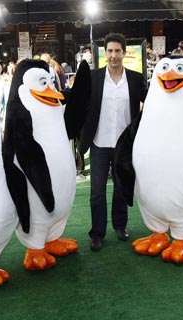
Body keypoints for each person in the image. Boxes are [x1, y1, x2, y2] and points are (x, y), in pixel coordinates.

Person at [79, 33, 148, 251]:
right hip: (99, 143)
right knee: (97, 191)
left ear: (125, 53)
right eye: (109, 51)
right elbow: (77, 102)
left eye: (118, 51)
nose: (113, 55)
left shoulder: (136, 79)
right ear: (104, 53)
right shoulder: (94, 78)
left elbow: (154, 102)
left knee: (121, 188)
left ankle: (120, 226)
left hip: (124, 145)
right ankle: (97, 233)